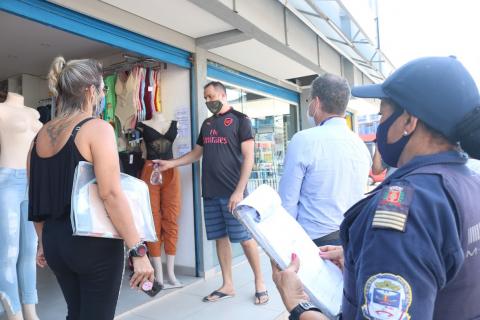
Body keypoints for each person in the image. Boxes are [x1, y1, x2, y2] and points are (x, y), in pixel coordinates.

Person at [272, 56, 480, 320]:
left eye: (382, 115)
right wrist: (359, 256)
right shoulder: (469, 182)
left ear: (409, 122)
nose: (380, 125)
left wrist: (299, 305)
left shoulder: (405, 212)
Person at [28, 57, 154, 320]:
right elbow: (110, 193)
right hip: (92, 243)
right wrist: (137, 250)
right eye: (103, 88)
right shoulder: (97, 128)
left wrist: (42, 243)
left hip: (55, 242)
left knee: (76, 313)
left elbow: (36, 198)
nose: (103, 94)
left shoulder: (38, 137)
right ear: (89, 90)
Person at [155, 81, 269, 304]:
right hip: (210, 192)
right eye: (205, 98)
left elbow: (249, 158)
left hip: (233, 193)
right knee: (220, 237)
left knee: (245, 240)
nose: (207, 101)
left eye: (210, 96)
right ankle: (227, 285)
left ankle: (260, 283)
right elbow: (196, 153)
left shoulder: (240, 120)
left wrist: (239, 191)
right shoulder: (207, 124)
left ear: (223, 95)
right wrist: (171, 164)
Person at [278, 74, 371, 247]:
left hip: (315, 243)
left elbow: (287, 203)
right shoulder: (360, 145)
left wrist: (284, 246)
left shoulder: (303, 140)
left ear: (316, 103)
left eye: (309, 101)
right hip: (352, 242)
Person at [0, 92, 42, 320]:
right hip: (7, 181)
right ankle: (13, 312)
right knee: (8, 253)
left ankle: (30, 310)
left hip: (31, 181)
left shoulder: (33, 113)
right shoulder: (1, 110)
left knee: (29, 252)